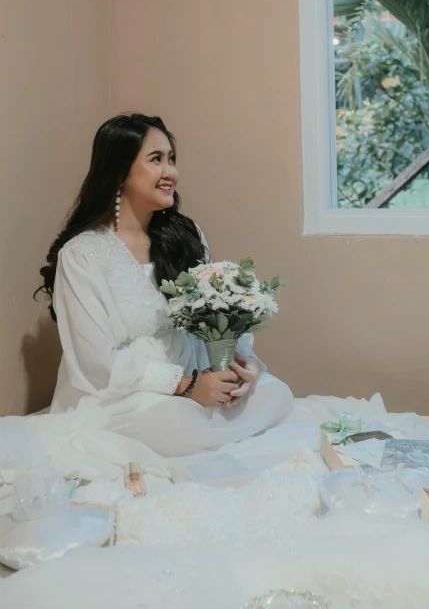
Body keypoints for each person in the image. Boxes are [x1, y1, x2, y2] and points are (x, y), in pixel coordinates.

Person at [35, 113, 293, 457]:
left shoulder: (186, 236)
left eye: (171, 159)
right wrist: (186, 388)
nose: (170, 172)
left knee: (275, 395)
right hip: (126, 394)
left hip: (197, 375)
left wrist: (245, 364)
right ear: (119, 170)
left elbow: (214, 315)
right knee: (176, 425)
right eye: (156, 159)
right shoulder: (83, 254)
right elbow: (96, 363)